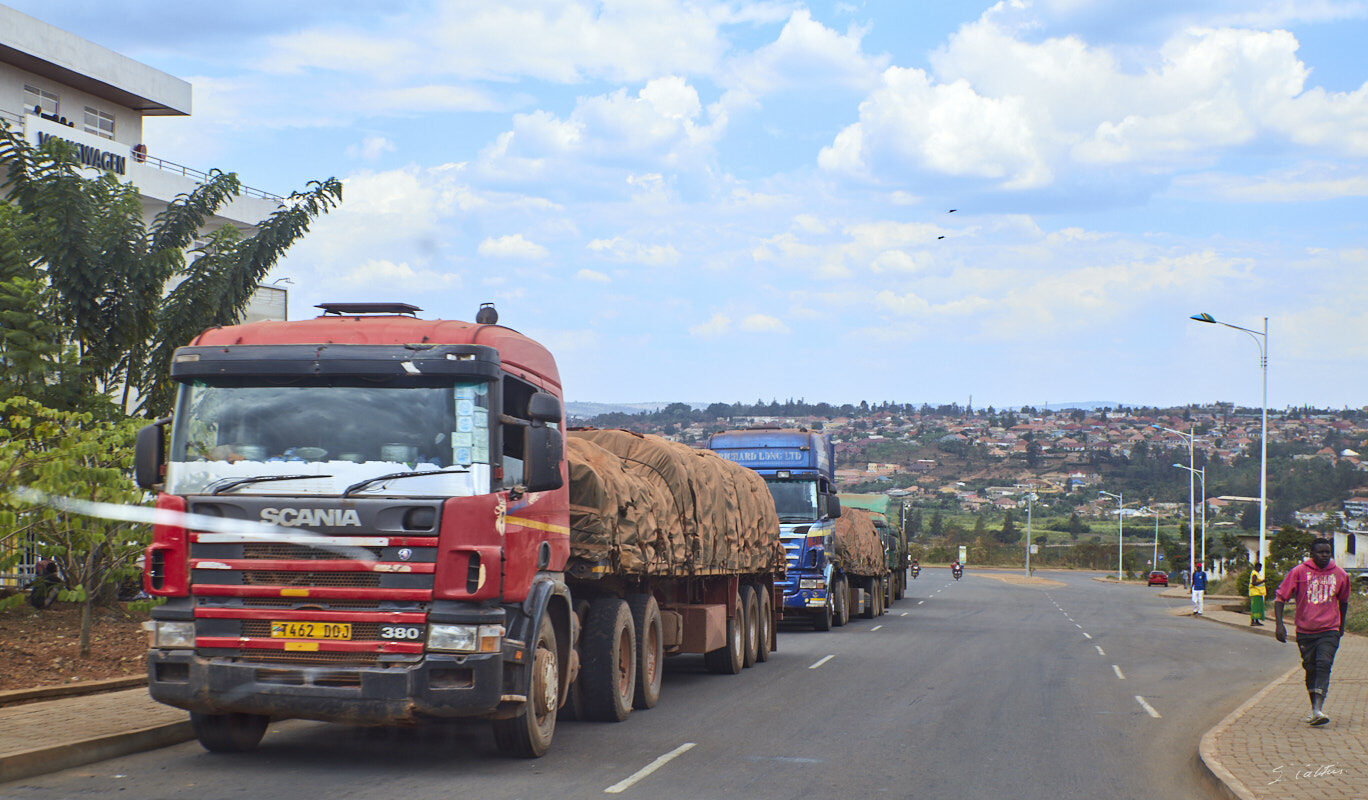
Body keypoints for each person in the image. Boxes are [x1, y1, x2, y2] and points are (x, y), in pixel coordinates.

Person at [1274, 538, 1350, 726]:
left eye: (1327, 552)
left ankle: (1318, 709)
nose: (1324, 555)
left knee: (1323, 663)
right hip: (1305, 631)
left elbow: (1344, 601)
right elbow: (1280, 598)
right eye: (1320, 552)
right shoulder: (1298, 572)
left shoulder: (1340, 574)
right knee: (1311, 667)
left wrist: (1341, 625)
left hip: (1329, 630)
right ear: (1312, 553)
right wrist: (1279, 625)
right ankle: (1314, 708)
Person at [1248, 561, 1266, 626]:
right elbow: (1254, 583)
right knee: (1255, 608)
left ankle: (1257, 620)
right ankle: (1252, 621)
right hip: (1255, 593)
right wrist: (1262, 581)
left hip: (1258, 593)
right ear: (1256, 567)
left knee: (1258, 608)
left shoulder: (1257, 574)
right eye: (1259, 567)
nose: (1260, 569)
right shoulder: (1254, 574)